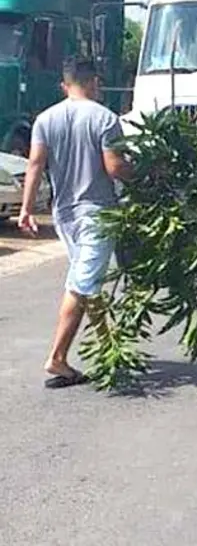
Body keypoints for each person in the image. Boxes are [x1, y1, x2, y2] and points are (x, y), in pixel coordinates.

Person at [18, 64, 133, 389]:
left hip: (64, 214)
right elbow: (114, 168)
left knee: (87, 280)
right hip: (96, 213)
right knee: (82, 284)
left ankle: (109, 350)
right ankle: (57, 358)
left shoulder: (45, 119)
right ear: (94, 82)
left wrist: (26, 209)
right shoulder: (105, 118)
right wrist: (150, 173)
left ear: (63, 85)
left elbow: (35, 164)